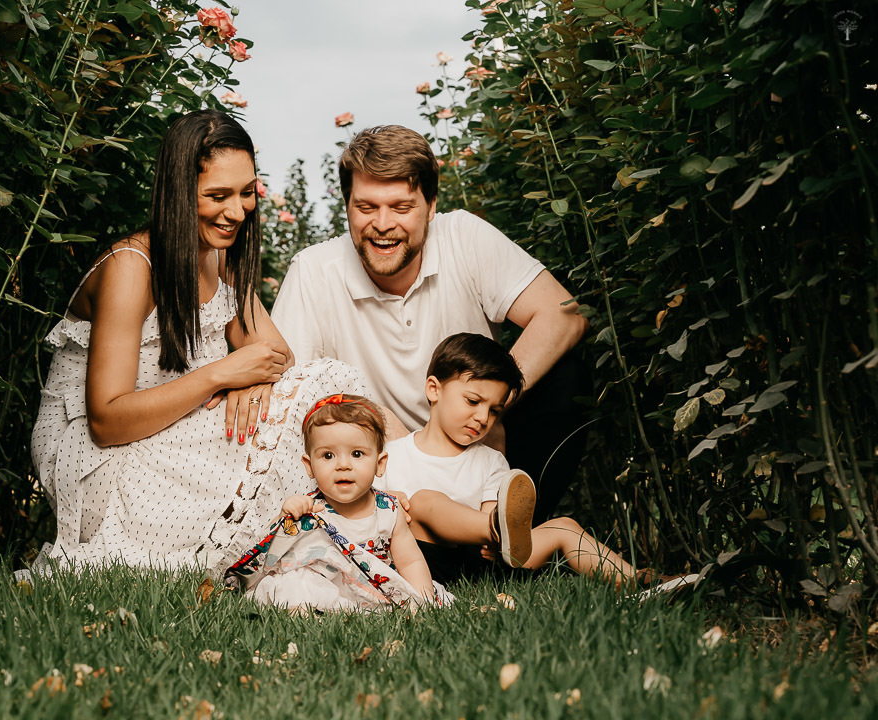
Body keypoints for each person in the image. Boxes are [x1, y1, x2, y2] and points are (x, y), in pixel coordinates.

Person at [30, 110, 366, 571]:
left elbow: (278, 358)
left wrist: (251, 381)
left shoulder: (218, 253)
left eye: (247, 193)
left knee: (322, 388)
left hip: (175, 428)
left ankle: (359, 530)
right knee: (305, 412)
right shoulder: (131, 267)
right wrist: (222, 375)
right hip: (95, 459)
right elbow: (105, 422)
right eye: (217, 195)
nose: (236, 211)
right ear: (178, 193)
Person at [272, 125, 591, 525]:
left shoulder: (464, 236)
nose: (382, 224)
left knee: (567, 377)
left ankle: (514, 533)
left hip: (484, 450)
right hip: (386, 472)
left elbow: (564, 315)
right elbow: (288, 390)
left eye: (402, 207)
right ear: (347, 205)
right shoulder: (314, 270)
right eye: (366, 207)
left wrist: (490, 409)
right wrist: (396, 438)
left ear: (431, 206)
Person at [381, 333, 647, 589]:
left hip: (481, 563)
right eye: (473, 401)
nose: (483, 418)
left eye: (495, 411)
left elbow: (494, 514)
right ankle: (496, 529)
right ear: (433, 390)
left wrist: (496, 541)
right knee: (424, 501)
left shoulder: (490, 461)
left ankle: (644, 581)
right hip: (421, 563)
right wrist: (386, 501)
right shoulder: (391, 456)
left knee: (563, 527)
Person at [226, 394, 437, 610]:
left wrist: (424, 600)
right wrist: (286, 517)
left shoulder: (389, 510)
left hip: (371, 590)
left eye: (357, 454)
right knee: (295, 582)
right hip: (322, 586)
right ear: (309, 466)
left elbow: (411, 562)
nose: (343, 465)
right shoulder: (311, 508)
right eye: (328, 456)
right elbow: (271, 551)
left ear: (380, 463)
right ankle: (307, 613)